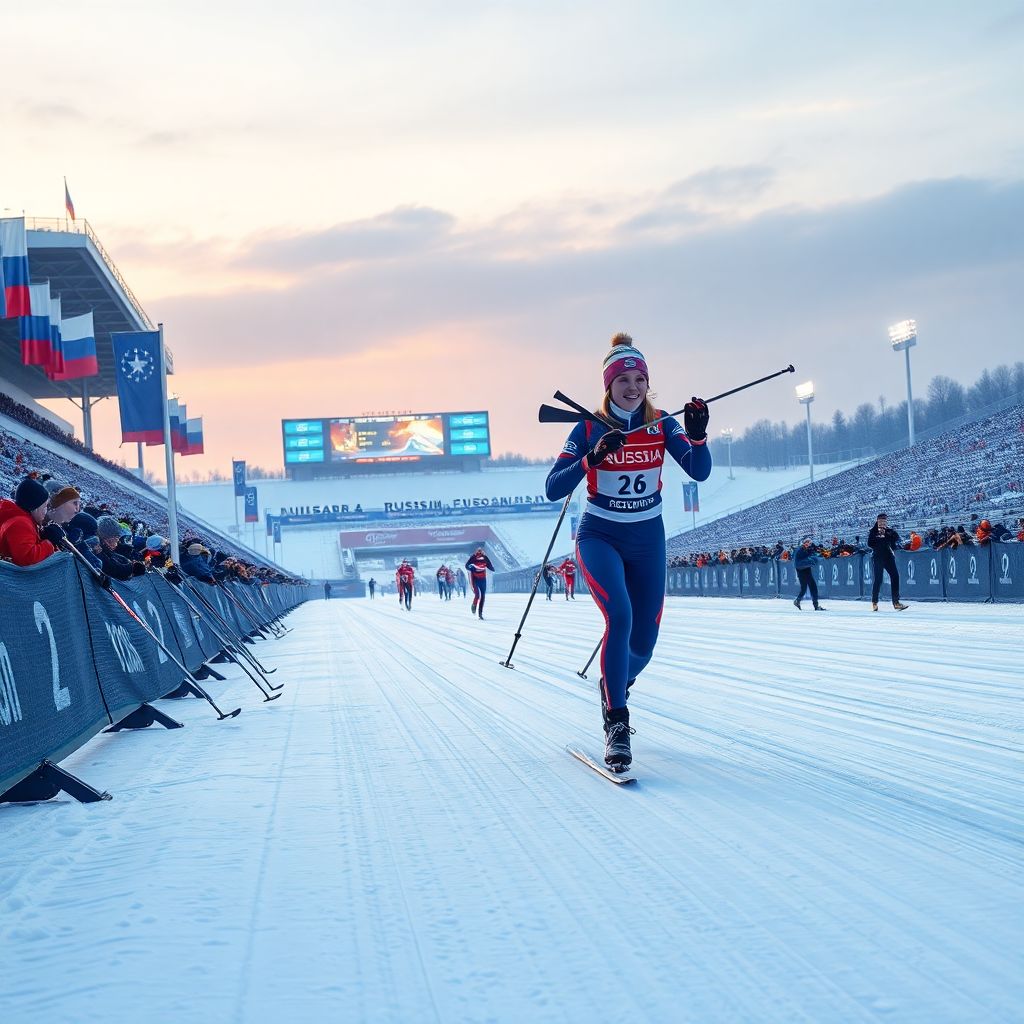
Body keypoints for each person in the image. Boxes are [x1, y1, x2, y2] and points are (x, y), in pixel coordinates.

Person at [545, 332, 711, 771]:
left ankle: (614, 684)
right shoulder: (587, 427)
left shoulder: (662, 424)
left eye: (640, 379)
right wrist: (591, 459)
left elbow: (700, 470)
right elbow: (552, 488)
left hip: (647, 540)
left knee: (645, 642)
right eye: (624, 380)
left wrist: (698, 435)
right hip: (600, 536)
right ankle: (617, 723)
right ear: (608, 386)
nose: (633, 387)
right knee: (619, 616)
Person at [0, 477, 63, 566]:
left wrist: (42, 537)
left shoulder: (21, 518)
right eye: (45, 506)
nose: (46, 511)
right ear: (35, 508)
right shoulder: (21, 523)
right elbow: (27, 559)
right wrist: (50, 542)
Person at [868, 512, 908, 611]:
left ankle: (896, 602)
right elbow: (869, 544)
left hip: (888, 556)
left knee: (895, 576)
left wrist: (891, 535)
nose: (883, 522)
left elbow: (895, 541)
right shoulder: (873, 531)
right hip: (878, 557)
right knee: (878, 579)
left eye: (885, 520)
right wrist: (877, 539)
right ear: (877, 521)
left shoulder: (889, 530)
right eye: (881, 520)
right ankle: (874, 602)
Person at [793, 537, 825, 611]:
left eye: (809, 543)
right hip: (802, 570)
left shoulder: (805, 549)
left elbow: (811, 555)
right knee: (812, 587)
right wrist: (810, 554)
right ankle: (816, 606)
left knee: (805, 588)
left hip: (806, 569)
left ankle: (797, 601)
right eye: (807, 542)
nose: (808, 544)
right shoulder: (800, 550)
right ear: (803, 543)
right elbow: (802, 558)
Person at [465, 547, 494, 619]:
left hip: (483, 579)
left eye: (481, 552)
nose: (480, 553)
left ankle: (480, 614)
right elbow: (466, 566)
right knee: (477, 595)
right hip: (475, 579)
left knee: (483, 596)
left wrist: (492, 568)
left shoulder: (485, 557)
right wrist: (470, 568)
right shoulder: (473, 557)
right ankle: (474, 605)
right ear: (476, 552)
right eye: (478, 552)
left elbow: (489, 564)